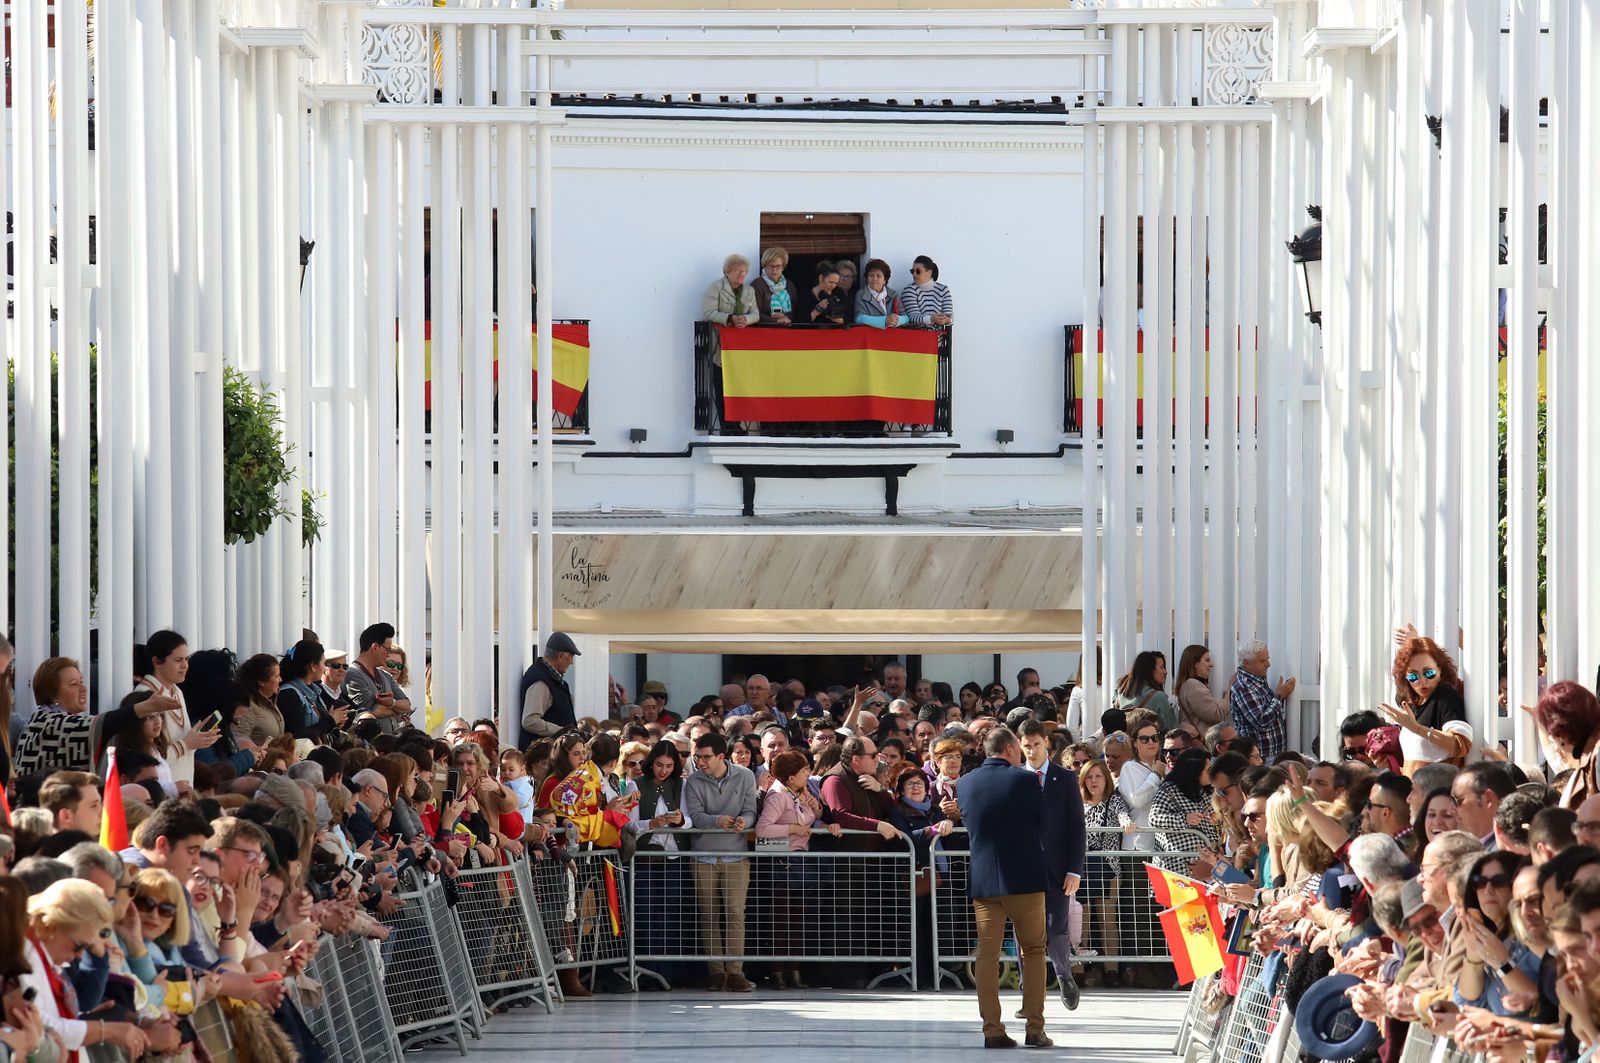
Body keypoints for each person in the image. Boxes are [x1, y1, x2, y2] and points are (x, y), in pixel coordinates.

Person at [958, 727, 1051, 1049]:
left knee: (987, 954)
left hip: (984, 881)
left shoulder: (965, 783)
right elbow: (1043, 823)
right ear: (1011, 749)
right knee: (1034, 951)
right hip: (1024, 879)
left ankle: (992, 1030)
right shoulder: (1025, 780)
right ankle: (1035, 1029)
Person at [754, 749, 840, 989]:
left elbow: (812, 818)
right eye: (803, 771)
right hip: (783, 864)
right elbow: (763, 829)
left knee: (799, 921)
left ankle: (795, 971)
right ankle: (778, 972)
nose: (808, 774)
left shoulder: (799, 793)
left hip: (801, 863)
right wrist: (792, 829)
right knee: (783, 920)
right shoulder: (777, 796)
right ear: (791, 777)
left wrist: (816, 808)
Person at [1017, 721, 1086, 1010]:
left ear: (1046, 742)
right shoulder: (1014, 778)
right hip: (1023, 869)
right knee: (1024, 933)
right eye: (1026, 745)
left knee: (1056, 927)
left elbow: (1076, 828)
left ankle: (1064, 975)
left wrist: (1074, 869)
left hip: (1058, 868)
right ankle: (1028, 992)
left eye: (1036, 744)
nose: (1032, 750)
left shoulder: (1065, 778)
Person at [681, 734, 758, 992]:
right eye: (698, 757)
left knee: (736, 913)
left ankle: (735, 972)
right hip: (703, 856)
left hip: (736, 855)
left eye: (706, 757)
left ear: (721, 756)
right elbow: (696, 816)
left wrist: (744, 822)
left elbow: (751, 810)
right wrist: (716, 821)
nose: (700, 761)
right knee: (709, 915)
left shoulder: (745, 776)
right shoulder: (693, 781)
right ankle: (716, 972)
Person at [1380, 634, 1471, 772]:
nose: (1422, 681)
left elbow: (1461, 744)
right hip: (1417, 784)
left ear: (1440, 670)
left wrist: (1417, 728)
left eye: (1428, 673)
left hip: (1438, 784)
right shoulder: (1415, 703)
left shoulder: (1444, 696)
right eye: (1413, 676)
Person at [1228, 640, 1296, 762]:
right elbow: (1261, 722)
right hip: (1260, 757)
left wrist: (1278, 697)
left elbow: (1270, 712)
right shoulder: (1243, 687)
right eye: (1262, 661)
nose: (1268, 664)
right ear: (1247, 663)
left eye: (1267, 659)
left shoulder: (1257, 681)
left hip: (1269, 753)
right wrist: (1279, 696)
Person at [344, 622, 412, 734]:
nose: (388, 654)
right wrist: (396, 708)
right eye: (387, 649)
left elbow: (407, 706)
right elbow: (375, 710)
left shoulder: (385, 675)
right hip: (367, 743)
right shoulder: (353, 674)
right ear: (375, 647)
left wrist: (391, 703)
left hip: (389, 741)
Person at [518, 632, 580, 747]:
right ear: (561, 656)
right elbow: (530, 720)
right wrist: (562, 732)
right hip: (543, 753)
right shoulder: (541, 681)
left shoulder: (549, 679)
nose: (571, 662)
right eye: (571, 656)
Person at [1114, 651, 1176, 733]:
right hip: (1150, 740)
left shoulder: (1120, 690)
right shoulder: (1159, 697)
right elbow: (1171, 727)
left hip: (1125, 739)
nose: (1165, 672)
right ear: (1149, 670)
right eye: (1162, 667)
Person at [1174, 644, 1230, 732]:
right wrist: (1230, 690)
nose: (1211, 665)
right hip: (1198, 739)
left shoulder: (1189, 684)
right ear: (1195, 664)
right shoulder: (1193, 685)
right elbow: (1216, 715)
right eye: (1207, 660)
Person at [701, 253, 760, 328]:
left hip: (743, 332)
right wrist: (730, 318)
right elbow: (708, 313)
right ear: (727, 272)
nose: (741, 274)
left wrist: (746, 319)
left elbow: (755, 315)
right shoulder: (716, 287)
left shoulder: (750, 290)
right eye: (736, 271)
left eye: (744, 271)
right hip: (720, 332)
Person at [900, 255, 953, 328]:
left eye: (918, 271)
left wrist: (946, 320)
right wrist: (932, 318)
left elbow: (949, 316)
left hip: (938, 334)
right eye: (912, 271)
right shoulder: (909, 290)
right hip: (916, 333)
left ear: (929, 273)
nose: (914, 274)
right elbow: (913, 317)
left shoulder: (943, 290)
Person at [853, 258, 901, 328]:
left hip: (892, 333)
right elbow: (858, 318)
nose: (874, 278)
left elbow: (906, 317)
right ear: (867, 278)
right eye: (871, 275)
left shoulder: (894, 295)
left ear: (885, 280)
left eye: (878, 276)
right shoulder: (861, 294)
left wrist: (896, 321)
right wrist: (884, 320)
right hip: (870, 334)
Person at [751, 247, 793, 325]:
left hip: (787, 327)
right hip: (765, 329)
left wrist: (785, 316)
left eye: (778, 266)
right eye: (771, 266)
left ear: (783, 267)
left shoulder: (789, 285)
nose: (774, 270)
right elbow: (755, 313)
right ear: (764, 266)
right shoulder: (757, 284)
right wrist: (776, 321)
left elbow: (796, 310)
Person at [801, 261, 848, 325]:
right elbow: (800, 322)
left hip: (835, 330)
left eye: (836, 283)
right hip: (813, 330)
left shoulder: (839, 293)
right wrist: (816, 311)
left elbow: (848, 319)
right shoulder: (806, 296)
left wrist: (840, 320)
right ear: (821, 278)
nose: (833, 286)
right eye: (830, 282)